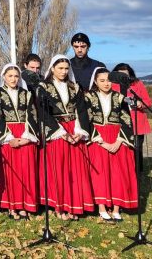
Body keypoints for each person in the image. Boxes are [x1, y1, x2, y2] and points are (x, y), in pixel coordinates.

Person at [37, 55, 94, 220]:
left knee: (74, 170)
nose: (63, 71)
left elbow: (81, 109)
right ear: (52, 68)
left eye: (66, 68)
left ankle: (74, 205)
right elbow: (42, 111)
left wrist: (80, 131)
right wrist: (60, 132)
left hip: (74, 128)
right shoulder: (44, 87)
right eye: (60, 68)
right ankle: (59, 206)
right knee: (59, 169)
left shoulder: (75, 87)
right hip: (56, 130)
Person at [85, 67, 138, 221]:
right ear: (95, 82)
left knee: (118, 173)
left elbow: (126, 119)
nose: (106, 83)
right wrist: (100, 141)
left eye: (108, 80)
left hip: (117, 137)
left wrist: (119, 141)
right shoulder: (89, 97)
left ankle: (116, 207)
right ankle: (101, 206)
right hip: (98, 138)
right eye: (102, 80)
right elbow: (86, 119)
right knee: (100, 173)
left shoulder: (119, 97)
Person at [0, 64, 38, 220]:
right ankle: (12, 205)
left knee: (26, 171)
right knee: (10, 173)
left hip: (24, 134)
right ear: (4, 77)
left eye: (16, 76)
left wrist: (26, 138)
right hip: (8, 135)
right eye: (10, 76)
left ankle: (25, 204)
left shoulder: (26, 94)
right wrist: (9, 138)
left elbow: (32, 115)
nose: (13, 79)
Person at [111, 63, 152, 169]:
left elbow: (148, 101)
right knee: (122, 150)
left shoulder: (137, 84)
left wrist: (140, 103)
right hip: (119, 123)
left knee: (137, 150)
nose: (123, 77)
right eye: (120, 74)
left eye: (125, 74)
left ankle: (138, 172)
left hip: (137, 123)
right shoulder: (111, 85)